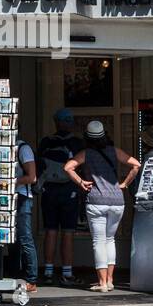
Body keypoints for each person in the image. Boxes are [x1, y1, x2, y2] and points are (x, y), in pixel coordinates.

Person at [64, 121, 140, 292]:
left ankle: (102, 283)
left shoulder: (86, 154)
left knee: (99, 241)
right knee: (109, 240)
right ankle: (111, 280)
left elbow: (68, 167)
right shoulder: (115, 151)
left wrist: (81, 182)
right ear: (105, 135)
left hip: (96, 201)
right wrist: (125, 184)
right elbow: (136, 165)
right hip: (117, 201)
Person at [37, 108, 84, 286]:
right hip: (69, 190)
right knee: (68, 232)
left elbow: (40, 164)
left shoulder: (46, 142)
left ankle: (48, 271)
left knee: (50, 230)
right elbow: (82, 167)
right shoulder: (77, 143)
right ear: (68, 123)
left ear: (56, 123)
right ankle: (67, 272)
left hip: (49, 190)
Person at [16, 135, 38, 293]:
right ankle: (16, 273)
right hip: (10, 196)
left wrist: (9, 181)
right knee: (15, 239)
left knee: (25, 238)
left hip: (22, 196)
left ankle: (32, 279)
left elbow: (32, 177)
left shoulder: (24, 148)